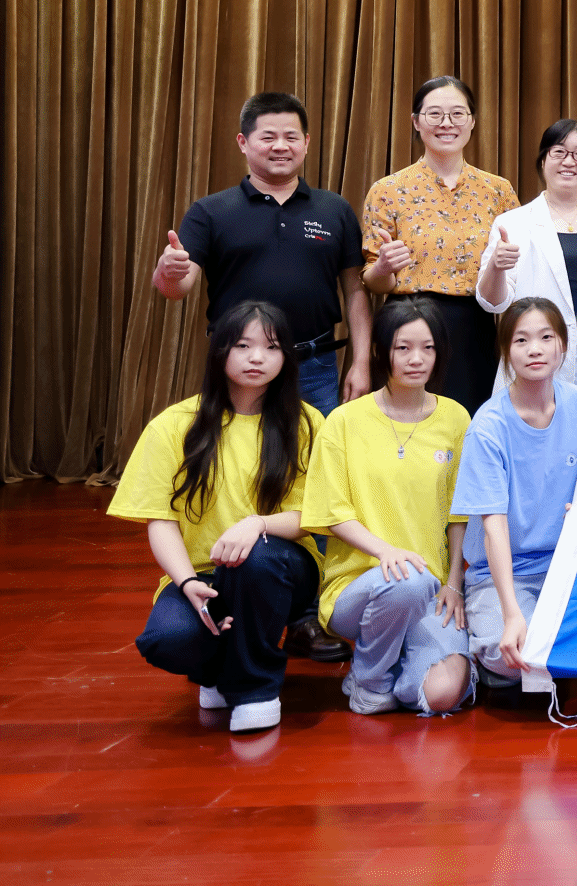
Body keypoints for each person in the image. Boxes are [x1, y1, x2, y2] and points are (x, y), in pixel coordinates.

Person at [106, 301, 321, 733]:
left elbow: (316, 515)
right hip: (204, 572)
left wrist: (258, 524)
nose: (257, 357)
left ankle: (256, 690)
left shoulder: (307, 423)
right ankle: (218, 670)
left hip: (280, 568)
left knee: (256, 558)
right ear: (220, 349)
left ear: (286, 357)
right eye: (243, 345)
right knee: (166, 640)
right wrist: (187, 583)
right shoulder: (174, 425)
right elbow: (160, 520)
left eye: (272, 347)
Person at [300, 300, 474, 716]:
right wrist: (387, 552)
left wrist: (453, 583)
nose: (416, 359)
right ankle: (370, 680)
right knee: (406, 581)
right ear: (381, 352)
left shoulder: (456, 418)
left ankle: (399, 666)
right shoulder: (343, 421)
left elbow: (460, 514)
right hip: (357, 589)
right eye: (403, 348)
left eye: (428, 348)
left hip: (431, 590)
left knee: (444, 693)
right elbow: (332, 512)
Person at [151, 91, 371, 417]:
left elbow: (355, 290)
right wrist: (166, 271)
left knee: (315, 450)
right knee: (234, 448)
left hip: (314, 368)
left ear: (306, 143)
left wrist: (362, 362)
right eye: (268, 137)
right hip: (238, 365)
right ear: (243, 142)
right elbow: (175, 289)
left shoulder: (335, 209)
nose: (280, 146)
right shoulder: (209, 211)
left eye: (291, 137)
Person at [455, 299, 577, 687]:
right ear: (506, 351)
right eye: (521, 340)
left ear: (562, 346)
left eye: (546, 337)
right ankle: (547, 653)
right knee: (513, 654)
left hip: (571, 567)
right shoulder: (488, 427)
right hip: (507, 575)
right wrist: (512, 613)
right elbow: (494, 530)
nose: (534, 349)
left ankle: (566, 658)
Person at [361, 76, 521, 416]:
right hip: (407, 326)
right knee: (407, 424)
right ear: (416, 122)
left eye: (458, 114)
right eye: (434, 114)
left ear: (472, 121)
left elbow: (513, 276)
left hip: (475, 328)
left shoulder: (498, 191)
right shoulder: (387, 190)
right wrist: (384, 267)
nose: (446, 123)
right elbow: (374, 282)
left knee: (470, 424)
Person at [476, 120, 577, 397]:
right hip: (530, 360)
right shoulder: (512, 223)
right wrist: (495, 267)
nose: (569, 161)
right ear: (543, 160)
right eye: (559, 152)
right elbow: (492, 303)